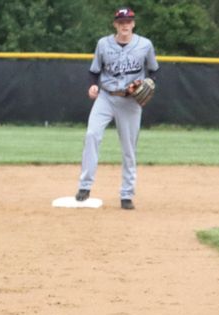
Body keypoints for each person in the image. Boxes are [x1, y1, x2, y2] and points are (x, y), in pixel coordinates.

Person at [74, 7, 158, 210]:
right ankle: (85, 187)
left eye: (128, 21)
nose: (125, 25)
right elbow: (94, 72)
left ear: (133, 24)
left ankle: (126, 194)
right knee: (92, 135)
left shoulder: (145, 45)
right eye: (121, 22)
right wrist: (93, 85)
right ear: (115, 24)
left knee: (129, 148)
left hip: (130, 102)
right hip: (106, 97)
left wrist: (146, 84)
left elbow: (154, 71)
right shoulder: (103, 44)